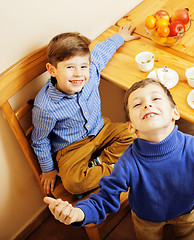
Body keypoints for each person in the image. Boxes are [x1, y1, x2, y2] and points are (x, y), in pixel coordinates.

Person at [43, 78, 194, 240]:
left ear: (175, 113)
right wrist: (78, 213)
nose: (147, 104)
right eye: (137, 103)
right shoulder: (128, 162)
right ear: (131, 127)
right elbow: (104, 200)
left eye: (155, 98)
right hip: (146, 220)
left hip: (189, 213)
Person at [31, 24, 140, 195]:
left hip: (101, 129)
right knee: (73, 183)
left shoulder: (91, 72)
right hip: (72, 148)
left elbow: (101, 52)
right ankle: (119, 172)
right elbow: (40, 140)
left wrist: (120, 37)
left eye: (83, 66)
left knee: (137, 134)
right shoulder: (45, 106)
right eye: (69, 67)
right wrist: (48, 170)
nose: (78, 74)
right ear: (52, 70)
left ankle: (98, 162)